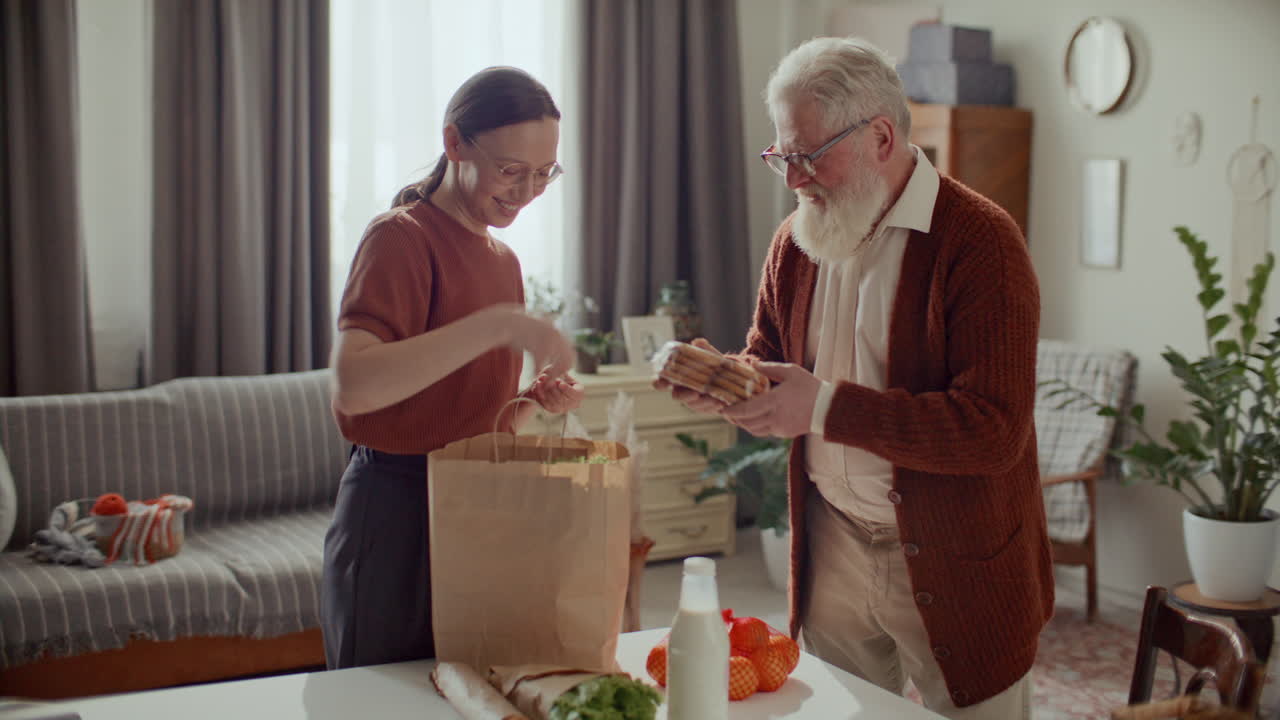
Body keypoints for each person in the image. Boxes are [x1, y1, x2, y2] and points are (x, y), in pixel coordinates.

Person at [659, 38, 1052, 719]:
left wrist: (825, 409)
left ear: (881, 136)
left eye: (810, 155)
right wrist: (728, 383)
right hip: (833, 540)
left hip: (958, 555)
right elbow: (768, 355)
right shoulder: (797, 239)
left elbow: (994, 431)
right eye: (783, 154)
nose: (793, 178)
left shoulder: (982, 242)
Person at [322, 66, 583, 669]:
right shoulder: (400, 238)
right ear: (454, 143)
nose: (525, 192)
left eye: (544, 174)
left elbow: (459, 395)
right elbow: (355, 388)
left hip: (476, 501)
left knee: (465, 690)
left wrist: (531, 396)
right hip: (396, 511)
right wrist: (499, 326)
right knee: (379, 704)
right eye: (510, 170)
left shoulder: (503, 259)